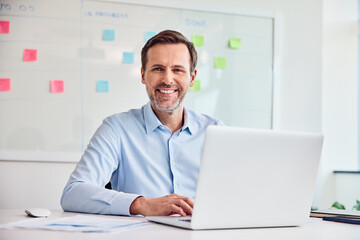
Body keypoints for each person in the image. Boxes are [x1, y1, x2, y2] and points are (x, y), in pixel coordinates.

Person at [60, 30, 223, 217]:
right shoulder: (116, 129)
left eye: (177, 70)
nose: (167, 79)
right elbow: (72, 194)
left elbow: (238, 191)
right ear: (143, 75)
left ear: (192, 78)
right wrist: (141, 204)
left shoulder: (215, 131)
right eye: (158, 69)